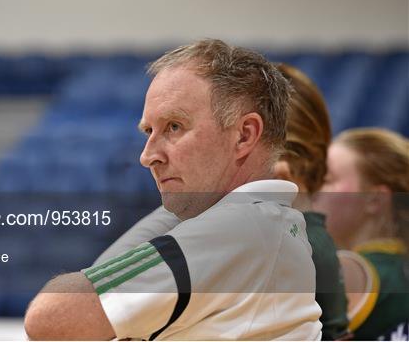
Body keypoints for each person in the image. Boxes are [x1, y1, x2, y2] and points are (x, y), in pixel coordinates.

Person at [24, 39, 322, 340]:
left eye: (174, 127)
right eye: (148, 131)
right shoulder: (269, 224)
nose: (147, 155)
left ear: (244, 135)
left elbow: (51, 318)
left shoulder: (237, 227)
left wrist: (170, 217)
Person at [95, 63, 350, 340]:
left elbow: (90, 302)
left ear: (249, 138)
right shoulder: (298, 234)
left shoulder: (269, 232)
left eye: (176, 127)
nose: (150, 156)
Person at [314, 127, 409, 340]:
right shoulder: (397, 267)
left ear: (374, 199)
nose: (313, 187)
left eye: (327, 178)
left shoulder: (349, 272)